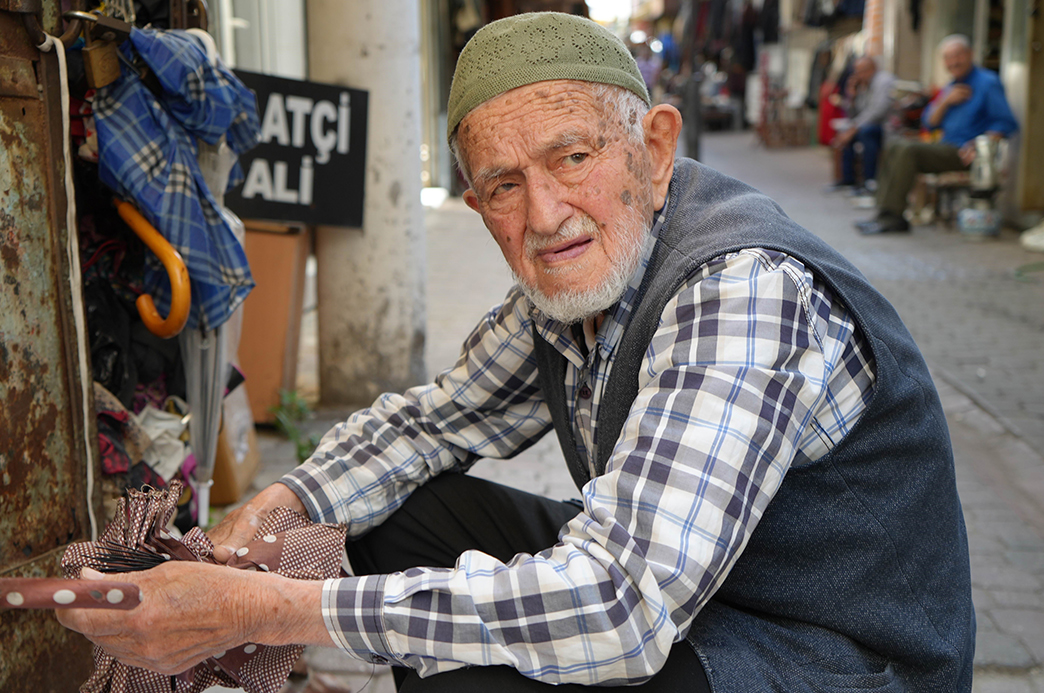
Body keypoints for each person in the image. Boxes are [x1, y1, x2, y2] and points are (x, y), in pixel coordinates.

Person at [59, 13, 974, 692]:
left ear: (653, 151)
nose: (543, 215)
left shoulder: (742, 288)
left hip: (835, 656)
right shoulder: (571, 282)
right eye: (504, 184)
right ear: (477, 203)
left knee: (486, 668)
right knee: (387, 522)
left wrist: (263, 611)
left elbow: (618, 605)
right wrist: (261, 517)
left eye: (573, 156)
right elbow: (430, 422)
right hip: (701, 602)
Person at [856, 34, 1018, 235]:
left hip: (965, 154)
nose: (954, 62)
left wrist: (978, 145)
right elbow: (929, 122)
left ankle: (895, 217)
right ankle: (884, 213)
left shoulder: (987, 82)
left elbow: (1006, 122)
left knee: (908, 149)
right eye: (948, 57)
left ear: (970, 55)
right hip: (945, 148)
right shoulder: (951, 87)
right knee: (895, 144)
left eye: (958, 55)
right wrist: (946, 101)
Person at [829, 55, 895, 194]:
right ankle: (848, 180)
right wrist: (852, 96)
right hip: (867, 125)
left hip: (886, 127)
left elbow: (878, 111)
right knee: (846, 132)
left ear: (873, 69)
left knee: (865, 133)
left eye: (862, 71)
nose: (859, 75)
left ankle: (870, 182)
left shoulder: (884, 81)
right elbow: (854, 114)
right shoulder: (863, 85)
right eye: (857, 71)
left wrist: (854, 128)